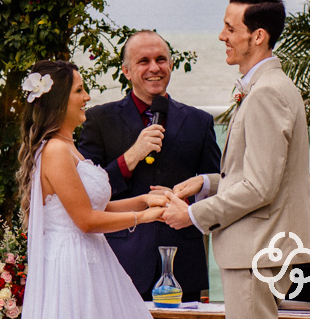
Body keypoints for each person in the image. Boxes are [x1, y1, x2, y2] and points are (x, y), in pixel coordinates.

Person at [161, 0, 310, 318]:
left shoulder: (266, 93)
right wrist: (204, 183)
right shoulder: (271, 87)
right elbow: (261, 175)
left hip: (257, 251)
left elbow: (260, 187)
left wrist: (192, 215)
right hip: (262, 250)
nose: (222, 36)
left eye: (230, 29)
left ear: (258, 36)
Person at [18, 60, 167, 318]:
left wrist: (144, 200)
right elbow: (86, 220)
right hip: (71, 264)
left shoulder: (69, 147)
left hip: (91, 257)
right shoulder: (55, 150)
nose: (87, 97)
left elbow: (97, 207)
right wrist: (143, 218)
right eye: (79, 91)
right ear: (58, 100)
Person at [78, 30, 221, 300]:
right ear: (127, 71)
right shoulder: (99, 119)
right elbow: (86, 193)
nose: (154, 68)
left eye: (161, 59)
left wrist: (187, 201)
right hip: (120, 259)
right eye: (143, 61)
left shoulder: (199, 121)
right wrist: (131, 156)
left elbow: (217, 185)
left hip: (183, 261)